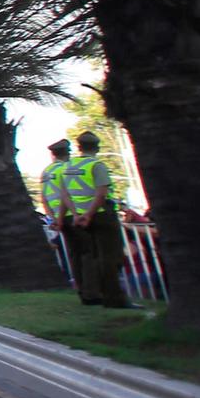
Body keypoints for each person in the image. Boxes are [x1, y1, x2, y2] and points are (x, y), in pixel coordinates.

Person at [65, 131, 133, 308]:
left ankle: (94, 293)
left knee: (92, 257)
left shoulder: (69, 167)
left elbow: (64, 194)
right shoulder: (96, 165)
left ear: (79, 147)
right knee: (111, 257)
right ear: (97, 147)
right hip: (101, 215)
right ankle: (114, 299)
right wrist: (89, 214)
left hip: (81, 217)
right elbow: (101, 193)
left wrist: (78, 214)